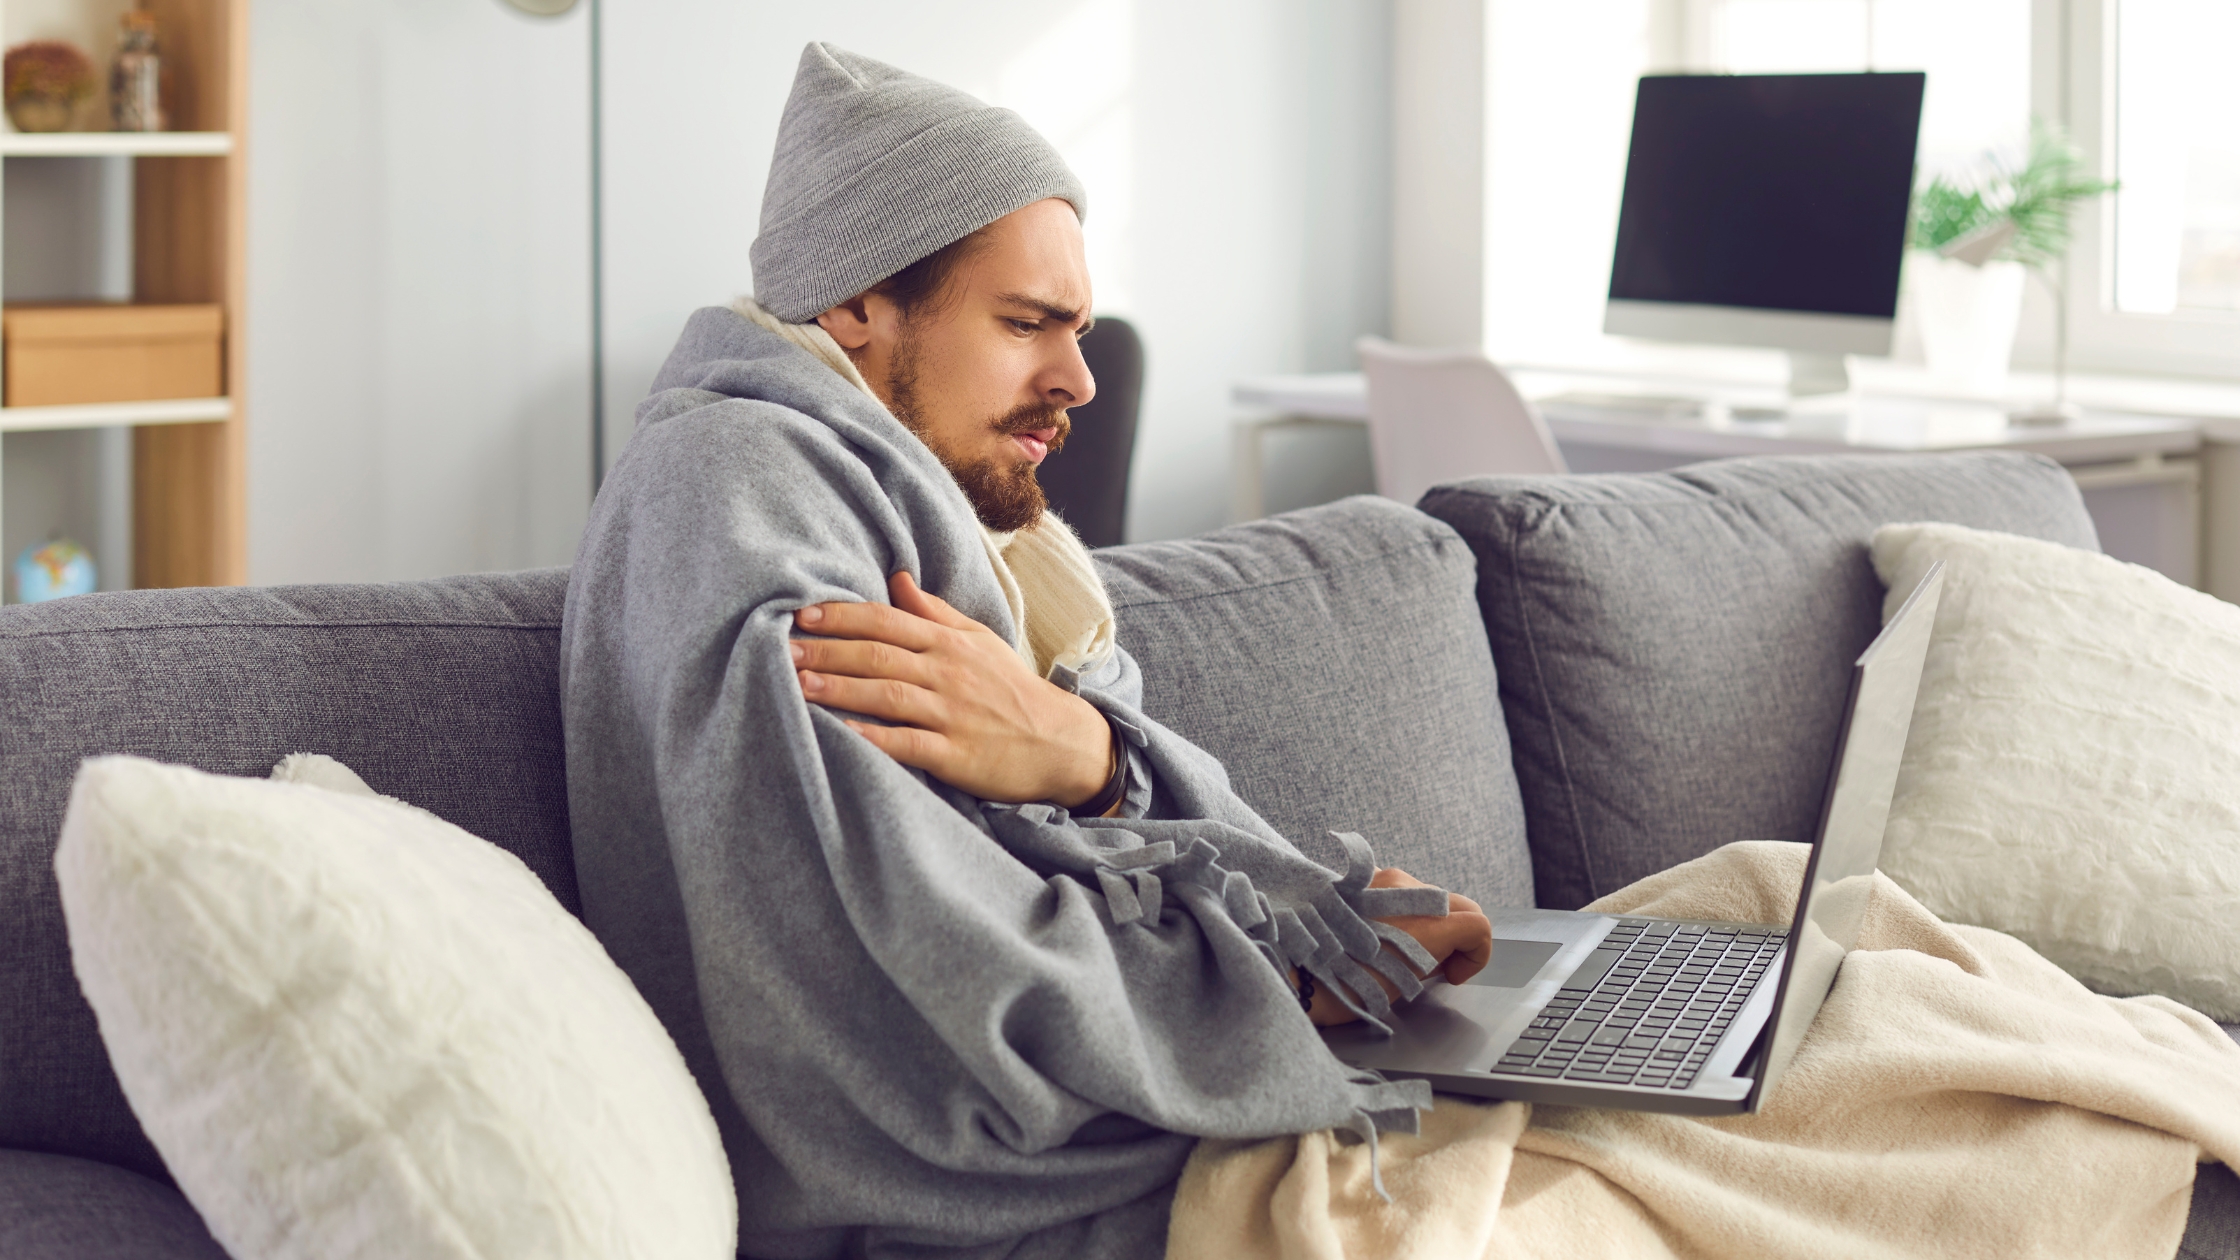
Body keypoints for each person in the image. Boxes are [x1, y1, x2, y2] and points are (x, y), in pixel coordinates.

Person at [560, 42, 1493, 1260]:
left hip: (1160, 1127)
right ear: (853, 303)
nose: (1079, 379)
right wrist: (1279, 982)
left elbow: (1072, 839)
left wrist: (1088, 754)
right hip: (1012, 1203)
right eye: (1024, 325)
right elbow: (906, 968)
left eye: (1079, 329)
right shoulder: (732, 488)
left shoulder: (967, 538)